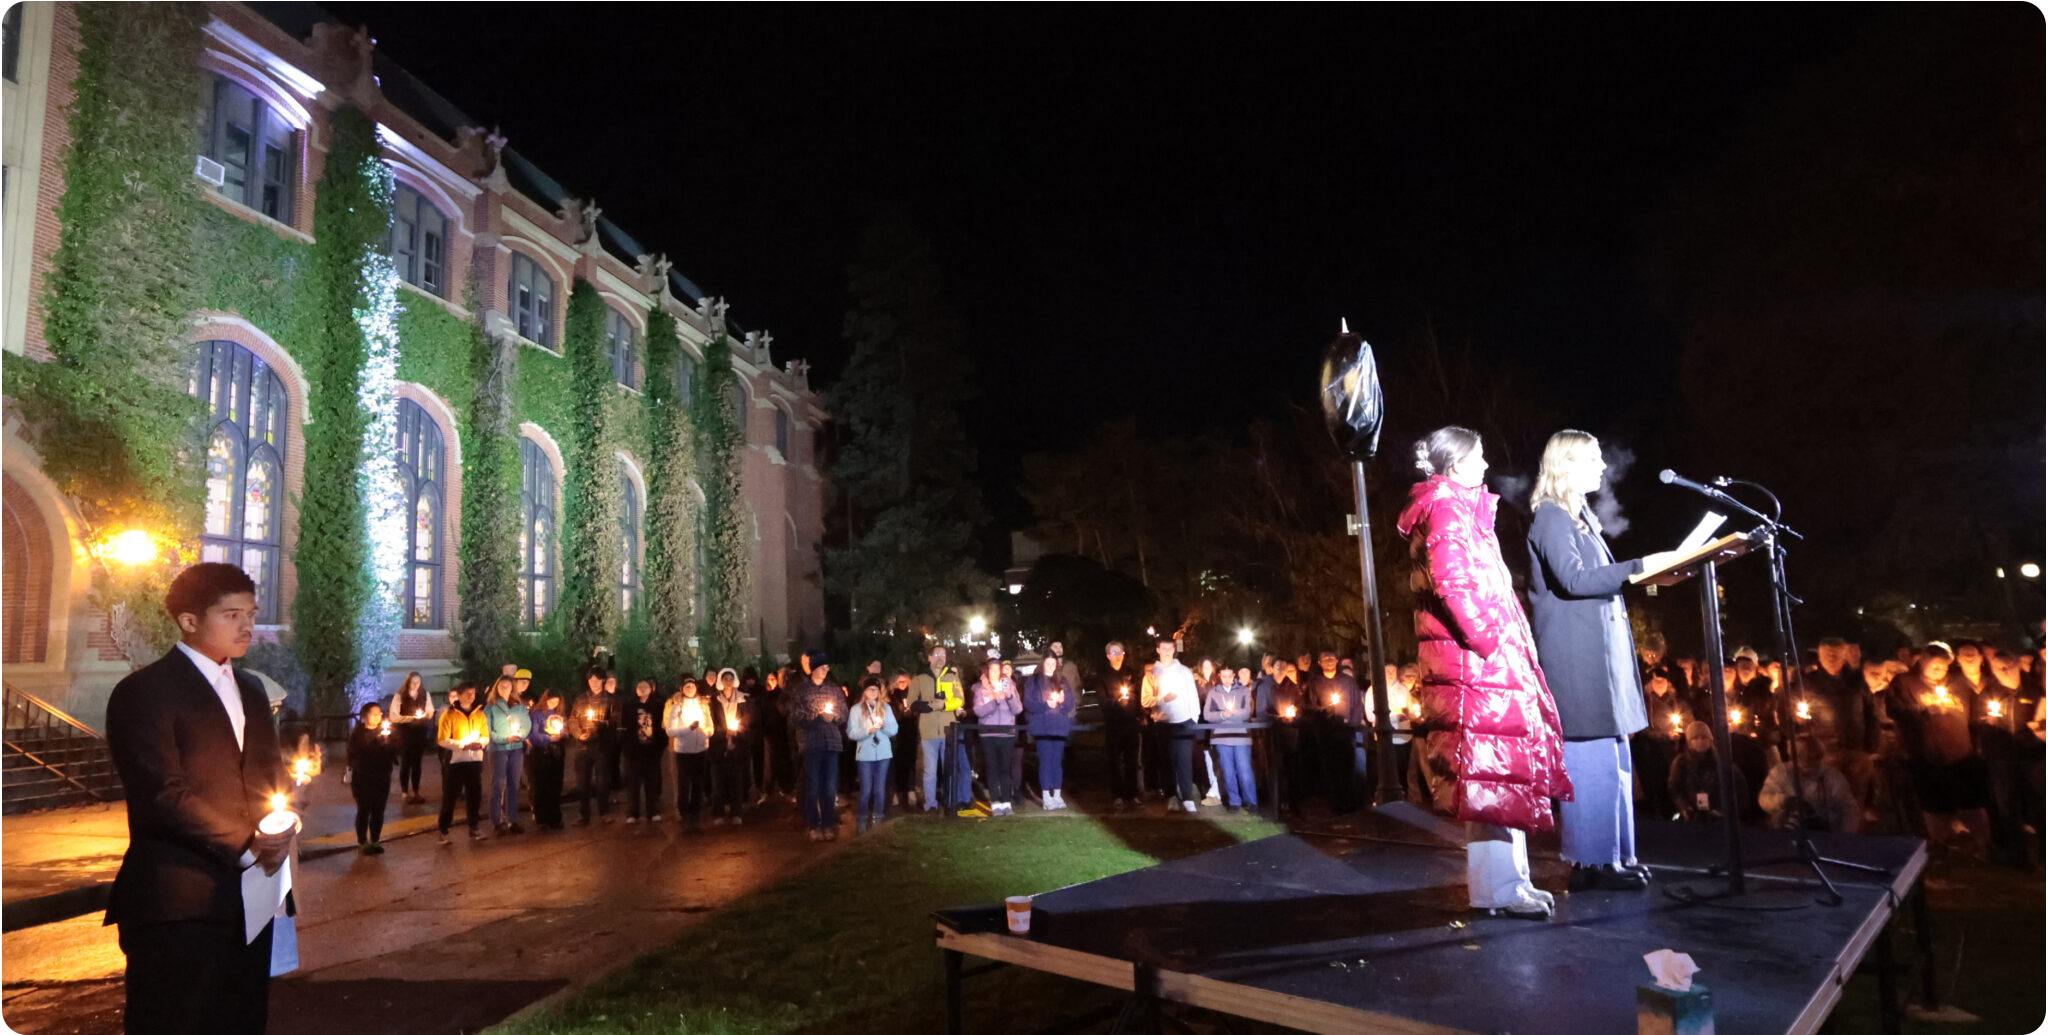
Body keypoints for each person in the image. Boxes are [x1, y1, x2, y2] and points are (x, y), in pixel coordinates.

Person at [104, 564, 294, 1035]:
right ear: (189, 621)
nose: (247, 626)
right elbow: (162, 795)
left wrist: (284, 816)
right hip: (179, 900)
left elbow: (268, 772)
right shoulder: (145, 692)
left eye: (250, 613)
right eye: (232, 615)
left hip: (251, 899)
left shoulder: (251, 689)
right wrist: (249, 845)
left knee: (244, 1017)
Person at [1397, 426, 1572, 919]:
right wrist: (1489, 641)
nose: (1485, 464)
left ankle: (1508, 884)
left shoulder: (1460, 506)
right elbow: (1452, 581)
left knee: (1501, 776)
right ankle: (1499, 889)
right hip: (1477, 668)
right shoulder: (1449, 507)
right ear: (1455, 465)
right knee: (1492, 777)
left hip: (1482, 665)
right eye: (1478, 457)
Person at [1524, 429, 1675, 893]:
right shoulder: (1550, 518)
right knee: (1590, 762)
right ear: (1566, 464)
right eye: (1593, 459)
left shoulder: (1580, 517)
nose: (1603, 467)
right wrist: (1638, 567)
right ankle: (1590, 864)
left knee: (1613, 761)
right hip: (1576, 661)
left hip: (1598, 658)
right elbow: (1573, 579)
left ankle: (1615, 856)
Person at [1889, 644, 1993, 855]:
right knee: (1934, 804)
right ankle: (1940, 843)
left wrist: (1984, 722)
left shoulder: (1959, 683)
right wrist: (1921, 709)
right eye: (1934, 664)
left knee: (1972, 801)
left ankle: (1984, 844)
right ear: (1923, 661)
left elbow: (1974, 713)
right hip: (1927, 755)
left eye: (1943, 666)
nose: (1938, 669)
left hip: (1962, 754)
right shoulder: (1904, 683)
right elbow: (1893, 710)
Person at [1141, 636, 1202, 814]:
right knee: (1167, 762)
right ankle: (1171, 796)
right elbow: (1145, 700)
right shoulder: (1151, 674)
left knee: (1184, 761)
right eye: (1164, 648)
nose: (1167, 651)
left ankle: (1188, 796)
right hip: (1163, 722)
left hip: (1184, 721)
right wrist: (1161, 698)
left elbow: (1193, 695)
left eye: (1170, 648)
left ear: (1174, 649)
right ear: (1158, 650)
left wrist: (1194, 717)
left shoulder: (1184, 672)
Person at [907, 646, 970, 812]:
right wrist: (930, 706)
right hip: (928, 731)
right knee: (930, 771)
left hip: (948, 730)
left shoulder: (952, 676)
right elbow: (912, 702)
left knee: (950, 769)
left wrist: (944, 705)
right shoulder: (919, 678)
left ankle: (951, 801)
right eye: (937, 654)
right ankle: (930, 803)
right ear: (929, 657)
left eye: (943, 654)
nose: (940, 657)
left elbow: (960, 699)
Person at [1304, 649, 1366, 814]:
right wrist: (1326, 711)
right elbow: (1310, 706)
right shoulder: (1315, 683)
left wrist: (1351, 723)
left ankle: (1352, 805)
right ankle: (1336, 805)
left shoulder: (1348, 682)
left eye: (1332, 658)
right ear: (1319, 662)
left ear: (1337, 660)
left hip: (1346, 732)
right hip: (1326, 733)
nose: (1330, 661)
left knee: (1348, 768)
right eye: (1326, 658)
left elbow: (1357, 705)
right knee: (1331, 770)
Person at [794, 651, 848, 840]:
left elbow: (844, 713)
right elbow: (796, 717)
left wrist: (835, 717)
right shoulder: (802, 691)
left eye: (827, 667)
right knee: (813, 786)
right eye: (823, 667)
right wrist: (817, 718)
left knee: (829, 787)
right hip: (812, 744)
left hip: (832, 743)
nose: (826, 670)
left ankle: (828, 824)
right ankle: (813, 825)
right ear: (814, 668)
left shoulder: (834, 690)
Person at [1759, 734, 1860, 833]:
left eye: (1811, 759)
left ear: (1819, 757)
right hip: (1785, 833)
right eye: (1799, 758)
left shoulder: (1833, 779)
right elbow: (1764, 798)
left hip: (1823, 835)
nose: (1805, 765)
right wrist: (1783, 800)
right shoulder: (1781, 773)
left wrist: (1844, 836)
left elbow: (1849, 810)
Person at [436, 681, 489, 843]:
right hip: (455, 762)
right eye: (466, 694)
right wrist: (462, 745)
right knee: (450, 796)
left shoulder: (479, 714)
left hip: (474, 761)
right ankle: (444, 830)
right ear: (458, 695)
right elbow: (442, 739)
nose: (470, 697)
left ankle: (474, 827)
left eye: (473, 694)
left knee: (474, 796)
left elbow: (485, 735)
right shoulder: (449, 715)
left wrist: (481, 743)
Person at [1096, 641, 1146, 811]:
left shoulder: (1131, 673)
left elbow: (1138, 696)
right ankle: (1117, 795)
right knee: (1114, 761)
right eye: (1114, 653)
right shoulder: (1103, 676)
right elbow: (1102, 701)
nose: (1117, 656)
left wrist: (1140, 714)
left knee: (1132, 761)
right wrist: (1116, 702)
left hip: (1131, 724)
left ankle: (1132, 794)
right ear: (1108, 655)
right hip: (1114, 724)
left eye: (1120, 653)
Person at [1023, 654, 1078, 811]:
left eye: (1054, 663)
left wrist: (1062, 701)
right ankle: (1047, 795)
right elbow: (1029, 703)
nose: (1051, 666)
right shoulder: (1033, 682)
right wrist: (1046, 704)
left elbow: (1070, 704)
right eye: (1048, 663)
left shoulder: (1062, 682)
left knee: (1057, 762)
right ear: (1043, 663)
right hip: (1043, 727)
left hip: (1059, 727)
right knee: (1046, 762)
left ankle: (1057, 794)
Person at [847, 676, 899, 832]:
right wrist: (867, 731)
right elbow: (851, 732)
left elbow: (894, 729)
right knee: (866, 789)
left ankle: (878, 819)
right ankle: (862, 820)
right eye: (870, 689)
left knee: (880, 788)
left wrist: (883, 727)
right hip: (865, 755)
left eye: (876, 689)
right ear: (864, 691)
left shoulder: (886, 708)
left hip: (883, 753)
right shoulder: (856, 709)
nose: (873, 692)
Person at [1669, 721, 1747, 823]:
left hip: (1719, 818)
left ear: (1710, 740)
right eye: (1695, 738)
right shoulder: (1681, 763)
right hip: (1693, 818)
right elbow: (1675, 788)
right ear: (1689, 742)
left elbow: (1739, 787)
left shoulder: (1721, 761)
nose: (1700, 740)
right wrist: (1685, 808)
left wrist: (1728, 810)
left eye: (1704, 737)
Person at [973, 660, 1024, 815]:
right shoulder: (981, 689)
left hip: (1007, 734)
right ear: (987, 672)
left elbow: (1018, 709)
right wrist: (995, 701)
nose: (994, 672)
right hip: (988, 734)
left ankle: (1006, 802)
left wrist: (1008, 697)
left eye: (997, 669)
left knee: (1005, 769)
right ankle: (995, 802)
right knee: (992, 768)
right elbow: (978, 711)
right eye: (991, 670)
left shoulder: (1010, 685)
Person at [1204, 664, 1258, 811]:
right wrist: (1222, 715)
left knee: (1244, 769)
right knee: (1227, 770)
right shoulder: (1213, 692)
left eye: (1229, 676)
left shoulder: (1244, 690)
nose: (1227, 679)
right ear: (1219, 676)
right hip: (1221, 737)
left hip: (1241, 736)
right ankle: (1234, 801)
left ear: (1234, 676)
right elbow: (1207, 715)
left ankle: (1251, 800)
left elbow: (1246, 712)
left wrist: (1230, 715)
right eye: (1223, 676)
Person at [347, 702, 398, 853]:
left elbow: (395, 751)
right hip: (363, 776)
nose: (378, 716)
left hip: (382, 775)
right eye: (374, 713)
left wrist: (388, 741)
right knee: (364, 809)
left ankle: (375, 839)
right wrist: (377, 741)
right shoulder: (358, 733)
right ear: (364, 716)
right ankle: (362, 841)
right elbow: (356, 753)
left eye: (380, 714)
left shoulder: (385, 732)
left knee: (379, 809)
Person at [664, 677, 713, 832]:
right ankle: (684, 814)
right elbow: (670, 730)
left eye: (692, 686)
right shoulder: (677, 707)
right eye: (687, 686)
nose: (690, 688)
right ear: (682, 689)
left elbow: (710, 726)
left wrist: (706, 733)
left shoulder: (703, 706)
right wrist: (689, 729)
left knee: (698, 783)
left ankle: (696, 813)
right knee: (684, 784)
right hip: (684, 751)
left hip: (701, 749)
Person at [483, 675, 530, 836]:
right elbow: (489, 731)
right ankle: (496, 822)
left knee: (513, 785)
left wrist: (520, 735)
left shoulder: (519, 706)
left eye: (508, 686)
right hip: (498, 750)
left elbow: (526, 724)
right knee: (497, 785)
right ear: (496, 687)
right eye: (501, 686)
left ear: (512, 688)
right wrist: (504, 739)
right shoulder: (491, 707)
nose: (504, 689)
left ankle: (513, 820)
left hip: (516, 749)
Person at [706, 668, 753, 825]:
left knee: (736, 780)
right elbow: (711, 720)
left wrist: (737, 731)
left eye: (731, 678)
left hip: (738, 745)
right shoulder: (714, 701)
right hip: (719, 745)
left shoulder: (744, 700)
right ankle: (718, 812)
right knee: (718, 780)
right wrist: (723, 733)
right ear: (721, 681)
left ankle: (736, 812)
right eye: (725, 678)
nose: (728, 682)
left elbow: (747, 720)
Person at [568, 669, 614, 826]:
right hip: (582, 747)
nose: (593, 683)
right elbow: (573, 720)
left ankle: (604, 812)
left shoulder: (609, 700)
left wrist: (598, 726)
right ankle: (583, 814)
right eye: (591, 680)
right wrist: (579, 734)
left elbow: (614, 721)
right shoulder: (580, 699)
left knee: (602, 781)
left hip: (601, 746)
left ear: (603, 681)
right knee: (582, 782)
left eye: (597, 680)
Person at [622, 677, 667, 823]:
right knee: (633, 783)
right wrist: (626, 745)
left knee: (651, 782)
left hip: (652, 750)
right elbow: (624, 727)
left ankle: (653, 811)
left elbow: (662, 727)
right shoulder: (629, 706)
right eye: (639, 687)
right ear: (636, 690)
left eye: (645, 687)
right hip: (633, 750)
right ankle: (632, 813)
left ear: (651, 689)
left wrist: (660, 745)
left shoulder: (658, 706)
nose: (642, 689)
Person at [389, 671, 433, 804]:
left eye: (418, 682)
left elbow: (430, 711)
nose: (416, 685)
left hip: (419, 733)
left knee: (417, 763)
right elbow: (394, 715)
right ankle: (404, 791)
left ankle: (416, 790)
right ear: (408, 682)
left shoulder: (424, 694)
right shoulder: (400, 695)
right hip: (405, 733)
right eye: (413, 682)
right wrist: (410, 718)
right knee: (406, 762)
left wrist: (425, 715)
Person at [525, 689, 567, 830]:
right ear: (545, 699)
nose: (553, 703)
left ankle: (555, 817)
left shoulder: (558, 715)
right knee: (541, 786)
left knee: (555, 786)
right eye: (551, 700)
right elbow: (533, 735)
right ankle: (542, 819)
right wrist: (548, 738)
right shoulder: (536, 714)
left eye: (556, 702)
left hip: (555, 754)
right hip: (541, 754)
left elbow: (565, 731)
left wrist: (563, 734)